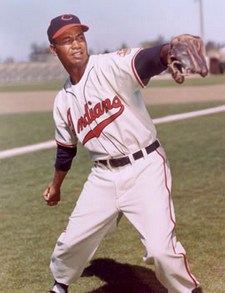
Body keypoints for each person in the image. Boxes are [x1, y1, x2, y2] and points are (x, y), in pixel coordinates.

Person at [43, 14, 201, 293]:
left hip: (145, 168)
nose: (77, 45)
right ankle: (60, 285)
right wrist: (55, 186)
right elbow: (65, 150)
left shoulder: (108, 65)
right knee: (71, 242)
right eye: (67, 41)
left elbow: (145, 60)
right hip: (102, 176)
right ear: (54, 49)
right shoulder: (62, 101)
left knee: (161, 251)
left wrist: (167, 52)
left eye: (80, 37)